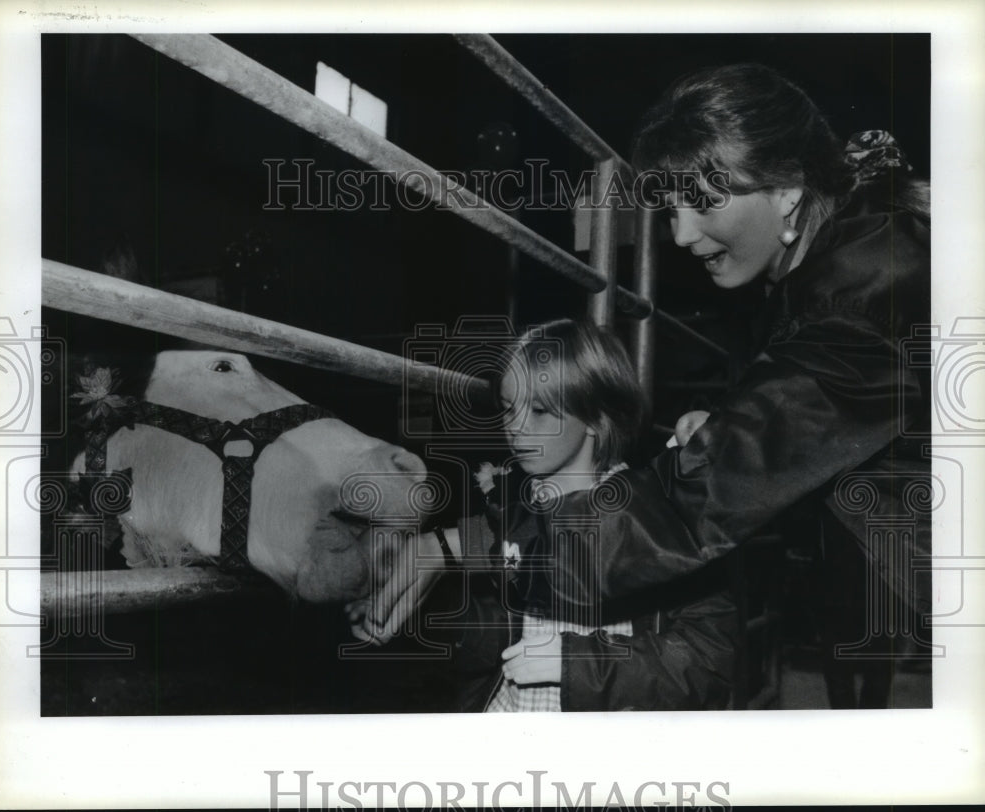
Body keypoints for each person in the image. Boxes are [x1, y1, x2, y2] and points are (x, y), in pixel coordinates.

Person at [363, 63, 932, 709]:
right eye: (671, 208)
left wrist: (461, 547)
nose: (681, 234)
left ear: (787, 191)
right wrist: (737, 426)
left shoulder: (860, 295)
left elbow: (683, 514)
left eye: (704, 202)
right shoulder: (852, 255)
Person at [351, 319, 736, 711]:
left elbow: (707, 664)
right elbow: (499, 635)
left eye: (538, 410)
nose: (515, 427)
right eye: (508, 408)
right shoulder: (510, 509)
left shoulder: (658, 518)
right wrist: (427, 608)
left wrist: (576, 663)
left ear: (597, 418)